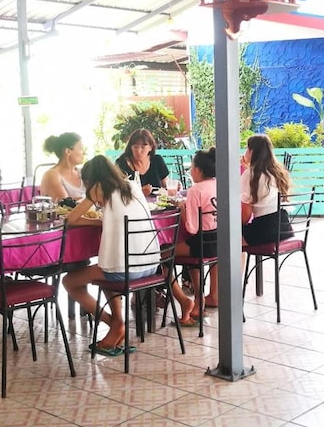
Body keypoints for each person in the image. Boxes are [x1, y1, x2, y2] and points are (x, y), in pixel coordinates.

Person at [62, 155, 160, 356]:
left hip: (126, 269)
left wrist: (97, 221)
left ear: (92, 179)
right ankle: (117, 323)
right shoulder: (132, 186)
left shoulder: (98, 188)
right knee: (106, 269)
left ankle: (114, 323)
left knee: (69, 282)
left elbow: (70, 219)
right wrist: (101, 221)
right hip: (151, 264)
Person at [173, 147, 219, 322]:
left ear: (198, 170)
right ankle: (199, 301)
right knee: (190, 254)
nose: (190, 170)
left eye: (191, 167)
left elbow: (192, 228)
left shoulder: (195, 190)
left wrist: (182, 210)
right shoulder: (220, 184)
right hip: (220, 243)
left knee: (161, 256)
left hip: (203, 244)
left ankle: (185, 300)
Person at [241, 134, 293, 245]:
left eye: (247, 148)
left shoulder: (249, 175)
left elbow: (246, 215)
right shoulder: (278, 172)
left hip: (264, 231)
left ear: (252, 151)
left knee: (229, 239)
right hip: (283, 228)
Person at [115, 129, 169, 196]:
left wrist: (175, 185)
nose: (139, 151)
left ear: (151, 147)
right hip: (133, 202)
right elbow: (117, 191)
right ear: (130, 147)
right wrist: (139, 193)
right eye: (135, 147)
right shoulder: (122, 163)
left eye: (143, 147)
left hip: (158, 202)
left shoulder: (157, 160)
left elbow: (166, 184)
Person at [38, 132, 86, 201]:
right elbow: (66, 204)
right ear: (68, 151)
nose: (84, 153)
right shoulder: (51, 175)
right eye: (81, 148)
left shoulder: (82, 172)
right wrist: (92, 199)